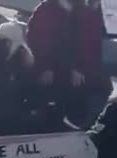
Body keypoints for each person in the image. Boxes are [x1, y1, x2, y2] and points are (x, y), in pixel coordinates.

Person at [27, 0, 102, 129]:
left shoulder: (85, 12)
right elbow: (35, 41)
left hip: (77, 79)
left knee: (77, 117)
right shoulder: (45, 10)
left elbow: (92, 44)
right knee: (46, 117)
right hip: (49, 76)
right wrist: (44, 67)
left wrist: (80, 68)